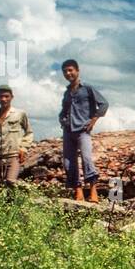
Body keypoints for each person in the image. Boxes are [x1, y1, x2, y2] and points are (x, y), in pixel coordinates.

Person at [58, 58, 108, 203]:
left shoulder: (87, 88)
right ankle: (78, 193)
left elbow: (104, 104)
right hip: (68, 131)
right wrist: (62, 121)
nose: (68, 73)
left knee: (86, 159)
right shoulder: (67, 93)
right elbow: (63, 110)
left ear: (77, 71)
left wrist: (94, 120)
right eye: (65, 71)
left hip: (82, 130)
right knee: (68, 163)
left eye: (70, 70)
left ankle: (93, 192)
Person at [0, 84, 33, 191]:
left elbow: (29, 132)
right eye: (1, 96)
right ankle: (0, 206)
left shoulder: (20, 114)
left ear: (12, 97)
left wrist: (23, 148)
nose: (3, 99)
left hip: (14, 155)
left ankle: (14, 205)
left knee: (10, 182)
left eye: (6, 96)